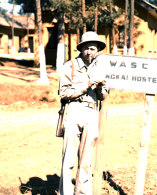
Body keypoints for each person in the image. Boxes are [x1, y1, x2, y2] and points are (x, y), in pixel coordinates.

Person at [58, 31, 108, 195]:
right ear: (81, 49)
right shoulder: (70, 65)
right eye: (86, 48)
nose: (89, 52)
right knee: (69, 158)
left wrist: (100, 87)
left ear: (97, 50)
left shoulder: (100, 68)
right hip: (74, 109)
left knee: (86, 159)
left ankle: (82, 193)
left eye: (93, 49)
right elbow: (64, 92)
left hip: (91, 111)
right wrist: (87, 84)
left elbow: (104, 96)